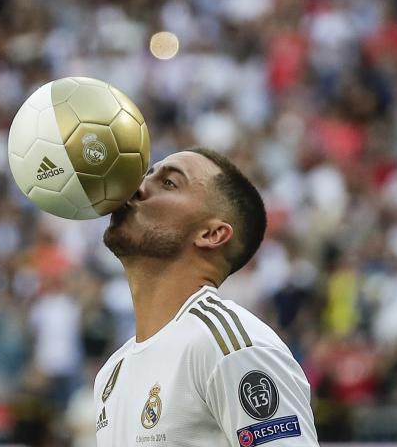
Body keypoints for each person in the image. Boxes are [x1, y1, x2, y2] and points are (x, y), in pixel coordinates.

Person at [93, 148, 320, 446]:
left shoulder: (230, 348)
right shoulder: (112, 371)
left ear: (211, 234)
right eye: (148, 175)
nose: (136, 187)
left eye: (169, 183)